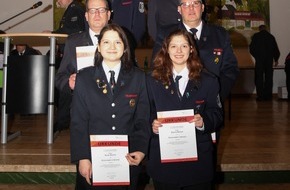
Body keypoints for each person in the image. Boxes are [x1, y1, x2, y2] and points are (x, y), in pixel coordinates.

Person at [70, 23, 150, 190]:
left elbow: (142, 119)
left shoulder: (138, 77)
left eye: (118, 42)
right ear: (98, 47)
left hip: (127, 158)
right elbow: (78, 122)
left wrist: (141, 150)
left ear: (125, 47)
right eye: (106, 42)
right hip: (92, 160)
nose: (112, 47)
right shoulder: (84, 78)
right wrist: (83, 157)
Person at [146, 29, 223, 190]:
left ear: (192, 49)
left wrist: (204, 121)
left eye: (184, 46)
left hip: (198, 163)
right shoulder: (152, 80)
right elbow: (144, 113)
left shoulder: (209, 80)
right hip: (164, 163)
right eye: (173, 46)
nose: (179, 51)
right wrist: (151, 124)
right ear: (166, 49)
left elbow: (217, 114)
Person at [54, 0, 111, 133]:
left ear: (108, 14)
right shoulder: (73, 42)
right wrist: (69, 83)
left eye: (101, 10)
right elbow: (60, 77)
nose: (97, 14)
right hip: (84, 113)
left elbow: (131, 75)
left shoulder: (121, 39)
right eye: (92, 10)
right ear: (86, 16)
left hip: (114, 111)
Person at [249, 24, 280, 101]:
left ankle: (260, 96)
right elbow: (276, 50)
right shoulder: (271, 37)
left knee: (259, 78)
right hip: (269, 61)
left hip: (259, 61)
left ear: (259, 29)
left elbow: (251, 49)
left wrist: (257, 56)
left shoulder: (256, 36)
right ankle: (268, 96)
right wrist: (276, 59)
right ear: (266, 29)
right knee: (269, 78)